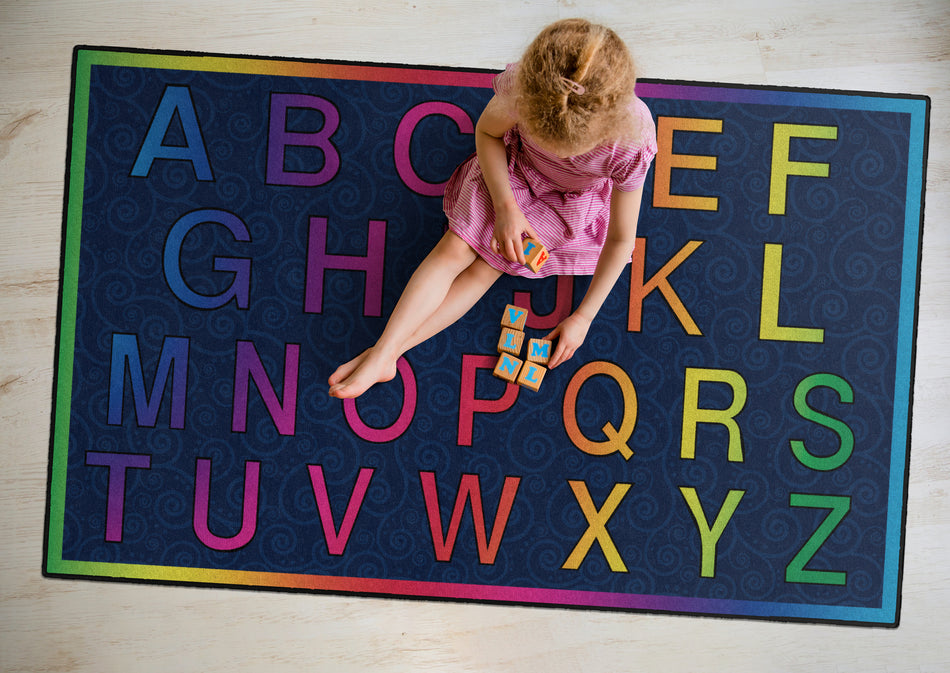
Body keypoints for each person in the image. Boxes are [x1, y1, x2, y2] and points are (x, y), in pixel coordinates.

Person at [328, 18, 657, 399]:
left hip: (565, 205)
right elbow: (487, 133)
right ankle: (384, 353)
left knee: (487, 269)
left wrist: (583, 317)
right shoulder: (528, 89)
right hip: (512, 172)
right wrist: (506, 209)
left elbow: (620, 241)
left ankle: (386, 355)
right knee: (454, 247)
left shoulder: (631, 142)